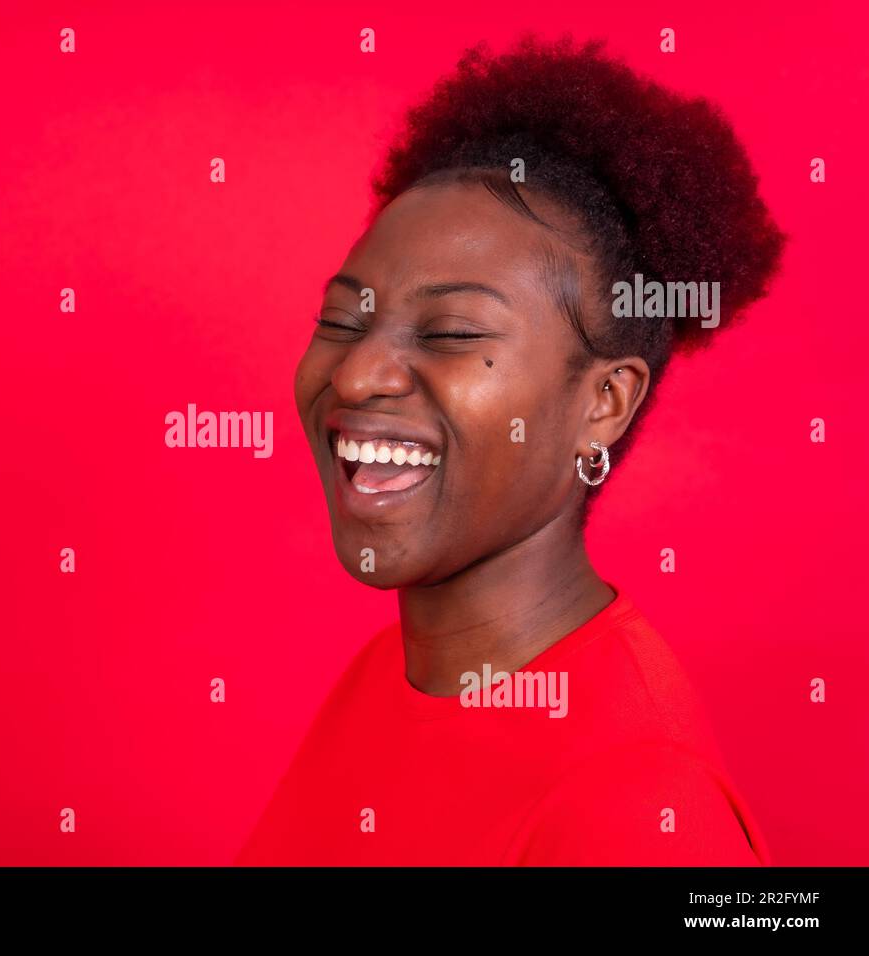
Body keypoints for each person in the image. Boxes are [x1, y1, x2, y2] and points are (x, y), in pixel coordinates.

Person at [236, 35, 784, 865]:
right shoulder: (386, 677)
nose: (356, 376)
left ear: (603, 404)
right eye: (343, 320)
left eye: (452, 332)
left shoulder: (637, 804)